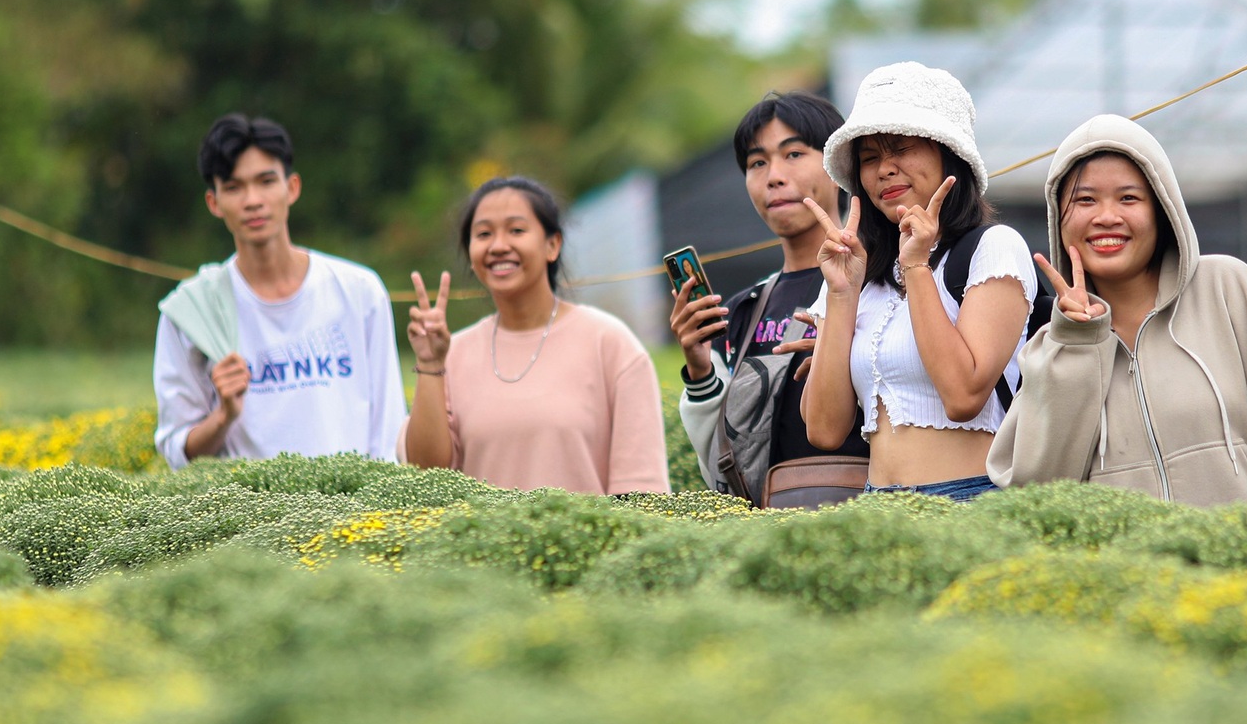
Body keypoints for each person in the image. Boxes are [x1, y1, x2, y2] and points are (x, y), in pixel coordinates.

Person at [987, 114, 1247, 527]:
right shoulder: (1052, 348)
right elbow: (1037, 498)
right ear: (1059, 220)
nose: (1106, 217)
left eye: (1129, 198)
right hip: (1138, 586)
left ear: (1162, 210)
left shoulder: (1227, 290)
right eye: (1085, 200)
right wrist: (1078, 344)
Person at [799, 62, 1036, 501]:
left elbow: (963, 395)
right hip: (875, 505)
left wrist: (917, 268)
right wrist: (841, 293)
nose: (884, 169)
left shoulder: (994, 248)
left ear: (949, 153)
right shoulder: (857, 268)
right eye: (869, 158)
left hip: (970, 499)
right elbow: (824, 429)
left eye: (901, 148)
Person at [153, 113, 405, 468]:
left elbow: (388, 426)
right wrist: (223, 415)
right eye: (234, 187)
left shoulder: (359, 291)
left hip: (358, 513)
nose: (253, 200)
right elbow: (177, 449)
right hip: (251, 515)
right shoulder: (192, 311)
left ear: (293, 188)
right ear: (213, 202)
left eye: (266, 181)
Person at [401, 175, 670, 494]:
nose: (499, 246)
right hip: (476, 545)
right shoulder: (451, 353)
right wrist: (430, 364)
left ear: (552, 245)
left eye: (516, 230)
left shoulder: (610, 343)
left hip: (590, 543)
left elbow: (641, 489)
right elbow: (425, 477)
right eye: (484, 234)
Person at [671, 92, 870, 495]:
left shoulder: (881, 283)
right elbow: (723, 461)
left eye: (794, 154)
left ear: (838, 165)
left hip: (869, 513)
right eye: (757, 162)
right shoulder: (741, 311)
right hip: (767, 526)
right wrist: (699, 369)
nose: (773, 176)